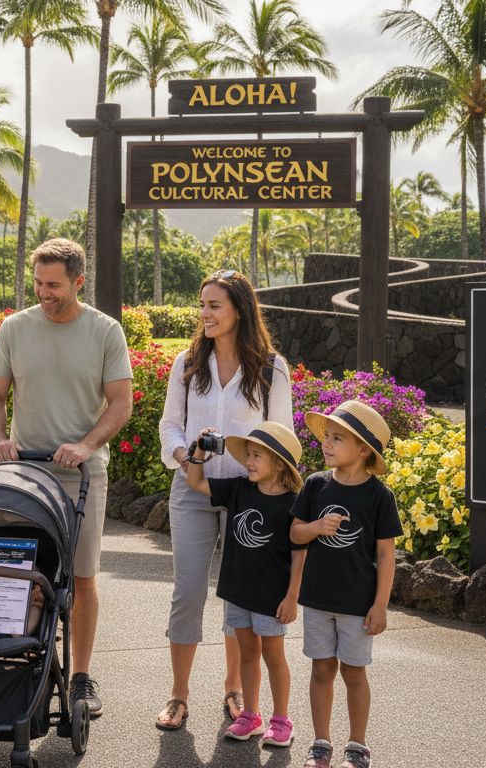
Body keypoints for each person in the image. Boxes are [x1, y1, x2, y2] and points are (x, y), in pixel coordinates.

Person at [0, 238, 132, 717]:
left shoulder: (105, 332)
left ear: (78, 282)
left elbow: (121, 403)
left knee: (83, 578)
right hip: (24, 473)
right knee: (22, 570)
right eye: (39, 283)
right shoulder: (15, 328)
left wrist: (87, 445)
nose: (44, 293)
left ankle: (82, 678)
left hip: (81, 476)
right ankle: (17, 663)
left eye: (54, 285)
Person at [155, 269, 292, 729]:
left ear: (240, 310)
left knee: (241, 595)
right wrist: (183, 453)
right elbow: (170, 423)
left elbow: (282, 436)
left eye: (215, 305)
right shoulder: (187, 362)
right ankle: (178, 695)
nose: (205, 314)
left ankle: (235, 689)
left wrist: (265, 477)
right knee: (188, 591)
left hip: (250, 498)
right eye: (202, 305)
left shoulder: (271, 368)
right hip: (193, 487)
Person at [289, 400, 399, 768]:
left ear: (364, 449)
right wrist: (317, 528)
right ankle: (321, 743)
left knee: (354, 672)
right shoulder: (315, 485)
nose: (327, 443)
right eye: (327, 437)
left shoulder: (379, 496)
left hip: (358, 602)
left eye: (338, 438)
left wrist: (380, 604)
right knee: (321, 668)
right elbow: (295, 533)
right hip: (318, 599)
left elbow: (386, 554)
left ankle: (357, 746)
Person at [182, 422, 304, 748]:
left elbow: (299, 556)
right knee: (248, 653)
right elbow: (195, 481)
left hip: (272, 597)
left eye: (257, 456)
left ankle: (282, 719)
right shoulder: (238, 488)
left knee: (274, 657)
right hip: (237, 592)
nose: (248, 461)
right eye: (248, 455)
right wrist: (198, 451)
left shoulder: (293, 503)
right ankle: (251, 715)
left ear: (279, 463)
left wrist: (292, 597)